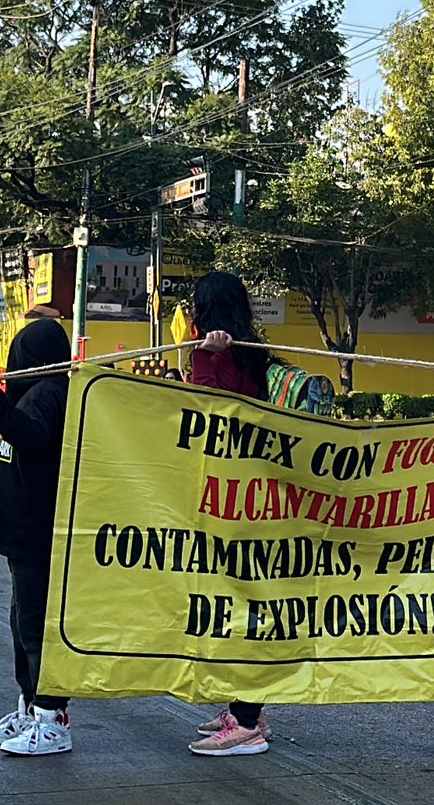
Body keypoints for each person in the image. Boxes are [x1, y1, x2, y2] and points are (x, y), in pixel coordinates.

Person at [182, 271, 276, 757]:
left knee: (245, 607)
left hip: (237, 503)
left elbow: (210, 415)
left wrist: (202, 357)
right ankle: (247, 708)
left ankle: (245, 722)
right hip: (253, 496)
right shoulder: (253, 355)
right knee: (246, 604)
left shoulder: (221, 357)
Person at [0, 319, 76, 757]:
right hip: (24, 536)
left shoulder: (49, 393)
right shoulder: (38, 393)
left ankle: (52, 720)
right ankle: (31, 709)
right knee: (21, 625)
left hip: (38, 534)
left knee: (36, 630)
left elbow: (30, 435)